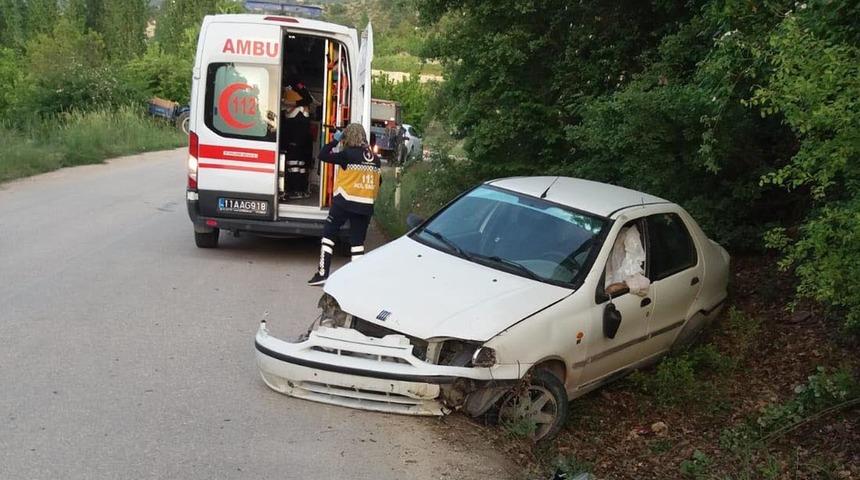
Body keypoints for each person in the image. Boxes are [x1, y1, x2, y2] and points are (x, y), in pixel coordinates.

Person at [308, 123, 382, 286]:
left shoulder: (347, 154)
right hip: (365, 206)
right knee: (357, 243)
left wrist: (334, 141)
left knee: (329, 235)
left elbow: (323, 155)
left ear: (347, 137)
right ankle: (356, 281)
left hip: (344, 202)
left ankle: (322, 274)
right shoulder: (375, 160)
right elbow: (379, 181)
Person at [280, 84, 315, 199]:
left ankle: (295, 189)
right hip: (299, 146)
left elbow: (307, 99)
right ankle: (298, 189)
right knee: (298, 166)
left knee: (294, 165)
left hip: (295, 144)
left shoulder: (295, 114)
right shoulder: (300, 114)